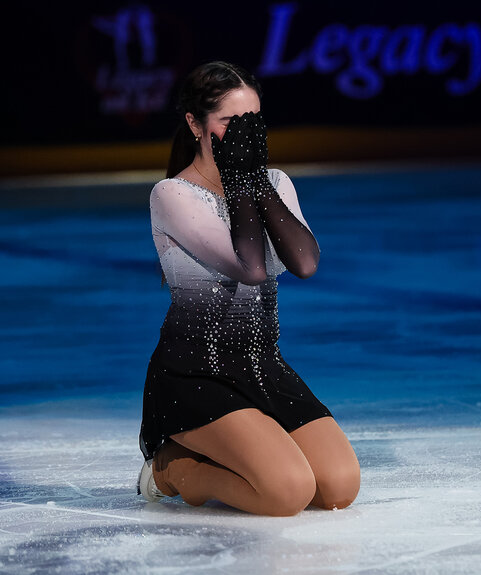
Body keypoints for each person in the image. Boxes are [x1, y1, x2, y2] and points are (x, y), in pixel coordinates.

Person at [137, 61, 360, 516]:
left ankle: (235, 449)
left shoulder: (275, 182)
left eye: (252, 122)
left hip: (262, 365)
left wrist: (255, 181)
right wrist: (241, 180)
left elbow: (305, 262)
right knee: (287, 493)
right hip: (195, 373)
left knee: (338, 488)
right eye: (230, 123)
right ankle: (171, 468)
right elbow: (251, 268)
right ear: (195, 124)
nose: (244, 135)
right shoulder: (173, 195)